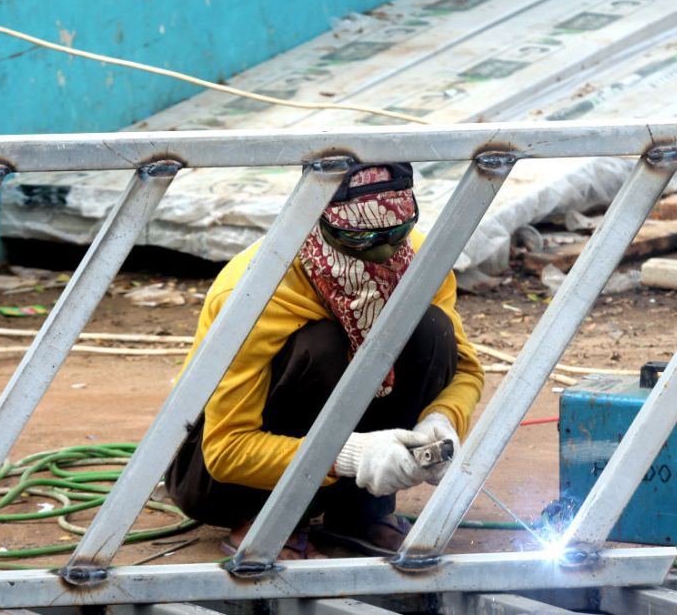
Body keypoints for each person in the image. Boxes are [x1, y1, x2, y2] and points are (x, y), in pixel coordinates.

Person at [166, 162, 483, 559]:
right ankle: (271, 518)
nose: (384, 251)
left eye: (394, 232)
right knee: (323, 345)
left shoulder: (418, 257)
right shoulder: (254, 290)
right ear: (318, 224)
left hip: (336, 463)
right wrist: (350, 455)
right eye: (360, 237)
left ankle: (360, 514)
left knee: (430, 329)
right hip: (220, 476)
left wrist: (442, 421)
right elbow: (226, 450)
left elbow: (467, 371)